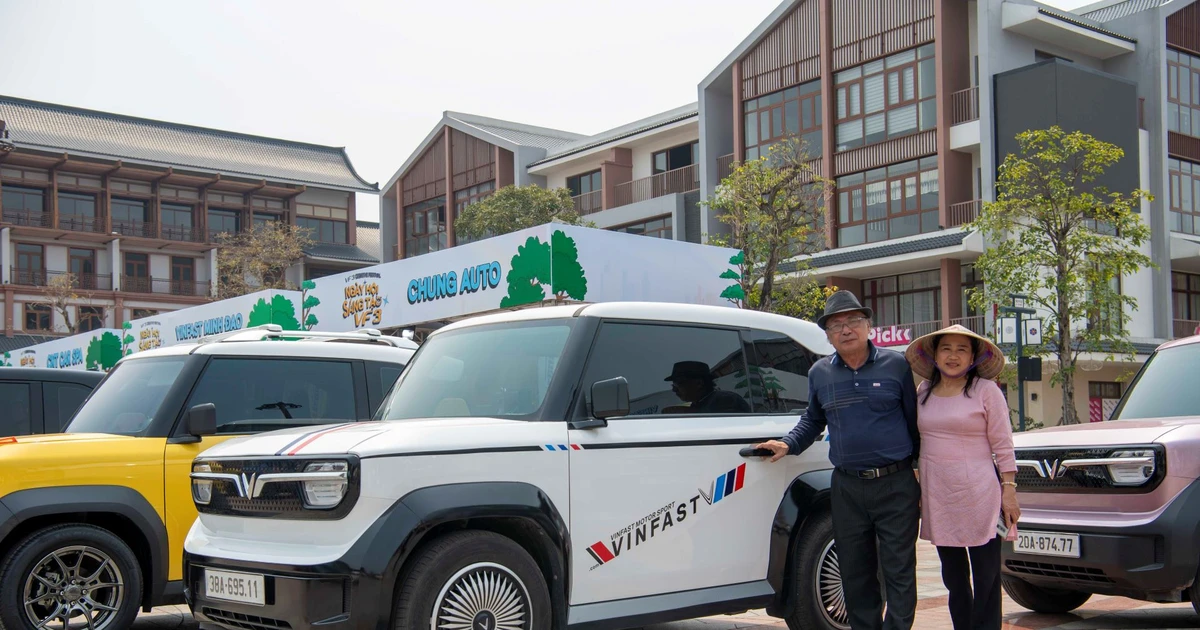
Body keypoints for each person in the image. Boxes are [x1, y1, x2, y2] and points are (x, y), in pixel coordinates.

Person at [754, 290, 920, 630]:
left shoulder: (897, 366)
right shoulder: (820, 373)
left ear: (868, 326)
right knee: (855, 572)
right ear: (827, 335)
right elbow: (813, 420)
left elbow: (914, 421)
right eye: (836, 325)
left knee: (898, 570)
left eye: (853, 321)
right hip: (846, 486)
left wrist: (919, 472)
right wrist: (787, 444)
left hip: (896, 485)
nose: (846, 330)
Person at [903, 324, 1019, 630]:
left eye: (961, 349)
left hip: (980, 492)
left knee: (986, 577)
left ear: (972, 358)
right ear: (935, 354)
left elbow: (1003, 443)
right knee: (953, 577)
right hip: (939, 493)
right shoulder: (924, 391)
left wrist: (1009, 489)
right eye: (946, 348)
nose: (953, 355)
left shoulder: (986, 391)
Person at [663, 361, 751, 413]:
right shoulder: (698, 403)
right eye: (673, 385)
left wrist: (687, 412)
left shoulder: (726, 400)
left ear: (699, 383)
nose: (674, 390)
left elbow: (721, 429)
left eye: (679, 384)